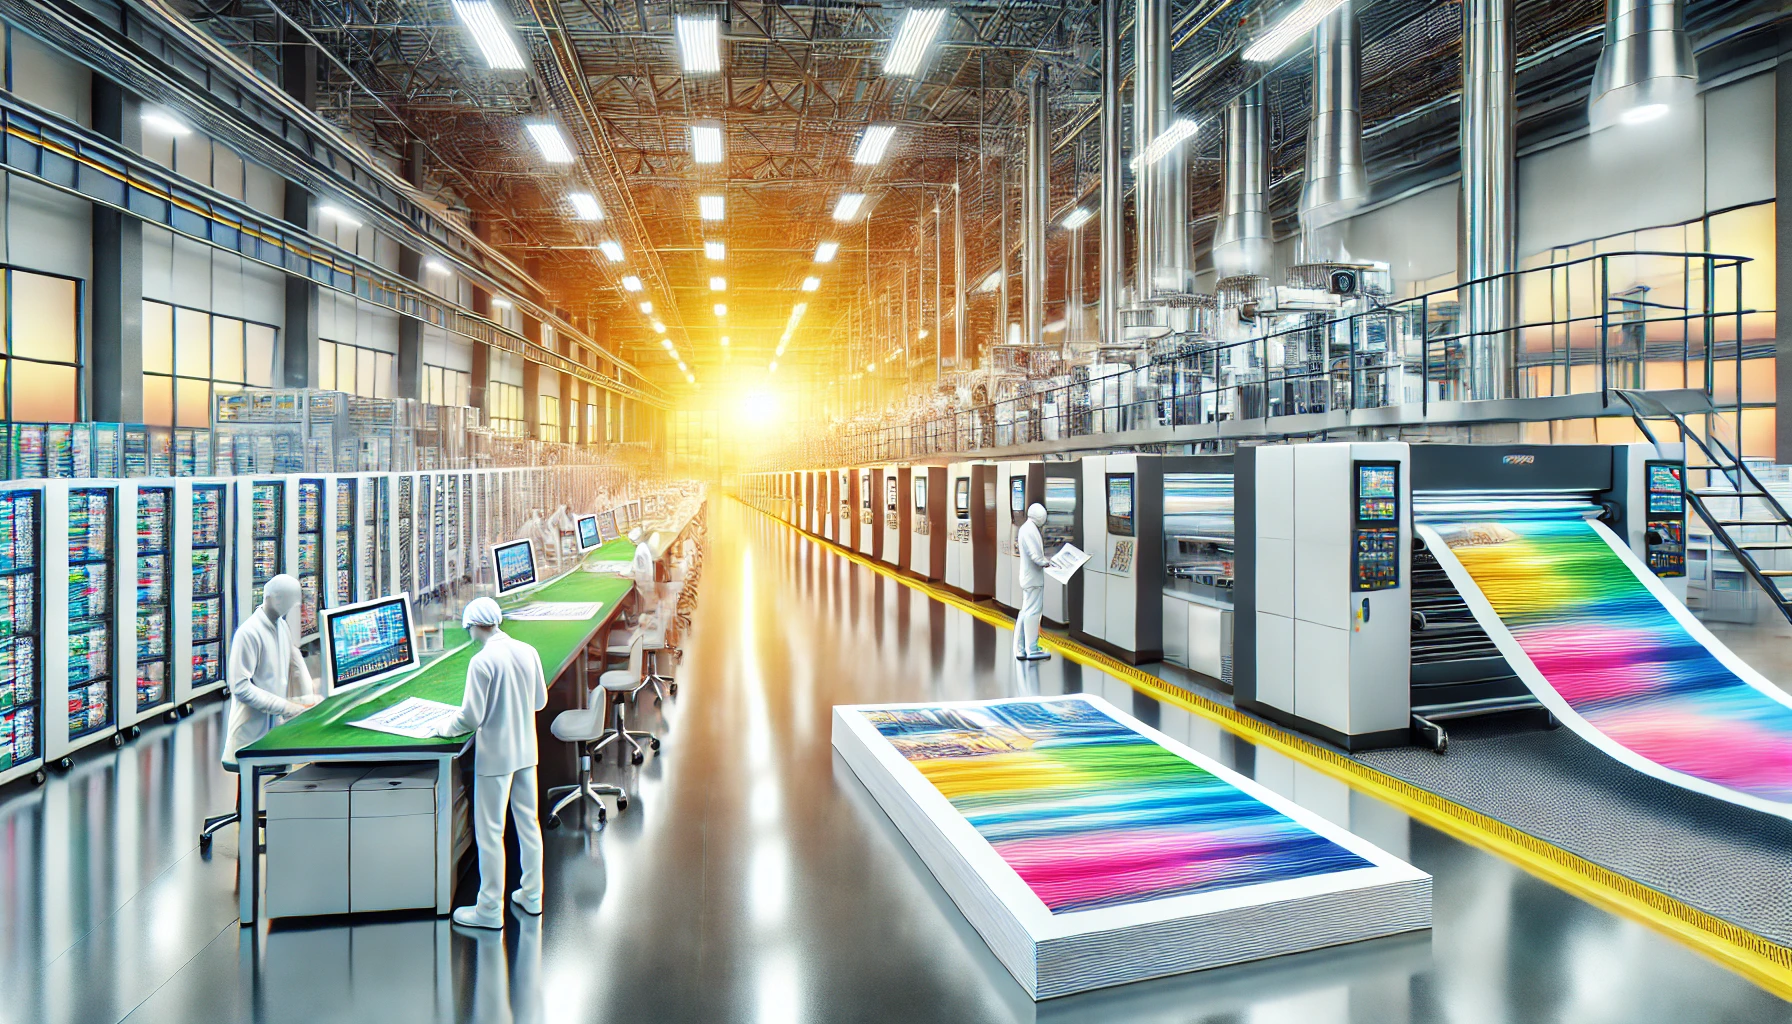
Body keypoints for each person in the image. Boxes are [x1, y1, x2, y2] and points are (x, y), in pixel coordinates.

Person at [429, 597, 548, 928]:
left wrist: (442, 727)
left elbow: (470, 717)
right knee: (528, 824)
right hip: (526, 751)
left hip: (496, 757)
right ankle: (532, 895)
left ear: (472, 626)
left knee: (490, 833)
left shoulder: (481, 662)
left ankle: (489, 910)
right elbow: (540, 700)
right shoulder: (527, 651)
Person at [222, 574, 320, 770]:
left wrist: (309, 700)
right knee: (254, 783)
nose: (292, 607)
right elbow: (240, 687)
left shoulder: (281, 626)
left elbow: (295, 665)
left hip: (276, 729)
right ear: (271, 598)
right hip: (251, 734)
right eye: (289, 601)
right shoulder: (248, 633)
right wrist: (285, 707)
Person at [1014, 503, 1052, 661]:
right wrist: (1049, 563)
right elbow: (1036, 557)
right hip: (1033, 579)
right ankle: (1032, 649)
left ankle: (1021, 649)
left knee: (1025, 612)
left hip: (1028, 578)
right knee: (1033, 613)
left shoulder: (1025, 528)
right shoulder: (1030, 530)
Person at [626, 526, 657, 614]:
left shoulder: (641, 549)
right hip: (648, 592)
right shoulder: (644, 546)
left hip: (645, 596)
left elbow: (641, 577)